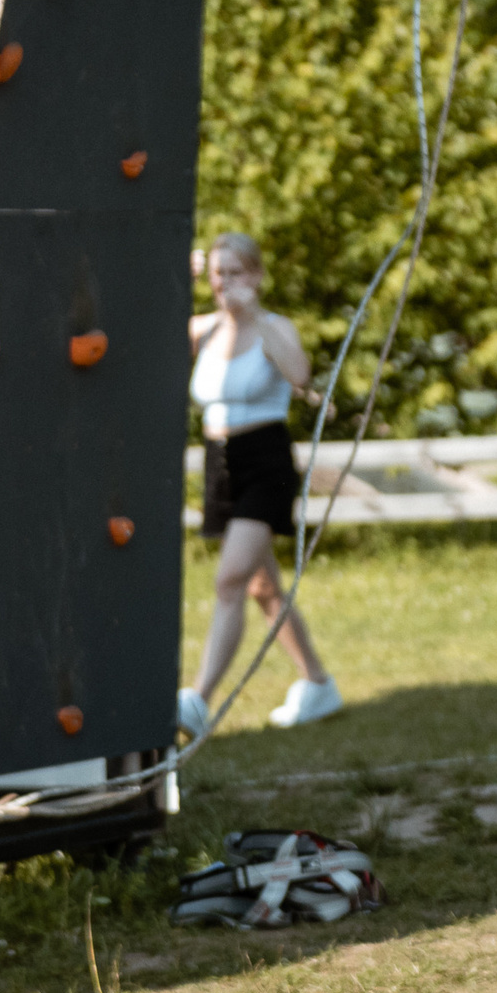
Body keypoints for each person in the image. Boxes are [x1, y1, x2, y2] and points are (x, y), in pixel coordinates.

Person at [182, 233, 341, 737]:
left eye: (234, 273)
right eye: (217, 274)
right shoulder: (202, 330)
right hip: (218, 461)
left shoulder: (274, 328)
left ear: (255, 276)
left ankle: (198, 700)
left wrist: (251, 318)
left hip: (264, 459)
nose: (223, 283)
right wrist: (175, 279)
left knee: (230, 578)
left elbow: (299, 375)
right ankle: (318, 683)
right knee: (261, 584)